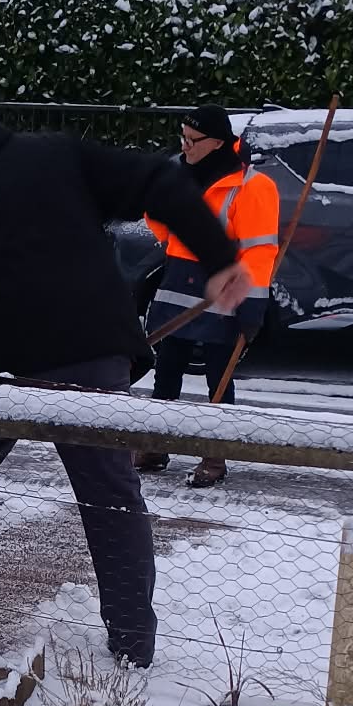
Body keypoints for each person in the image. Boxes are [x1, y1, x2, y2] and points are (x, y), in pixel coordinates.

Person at [0, 84, 249, 668]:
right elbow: (160, 183)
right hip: (90, 353)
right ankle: (133, 643)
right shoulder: (52, 154)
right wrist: (220, 258)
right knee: (109, 491)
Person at [135, 105, 280, 486]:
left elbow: (259, 251)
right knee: (166, 371)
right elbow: (159, 222)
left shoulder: (251, 187)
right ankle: (155, 445)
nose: (185, 146)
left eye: (192, 140)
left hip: (223, 289)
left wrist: (253, 304)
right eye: (181, 137)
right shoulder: (179, 174)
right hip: (177, 283)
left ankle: (214, 455)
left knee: (219, 377)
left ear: (217, 143)